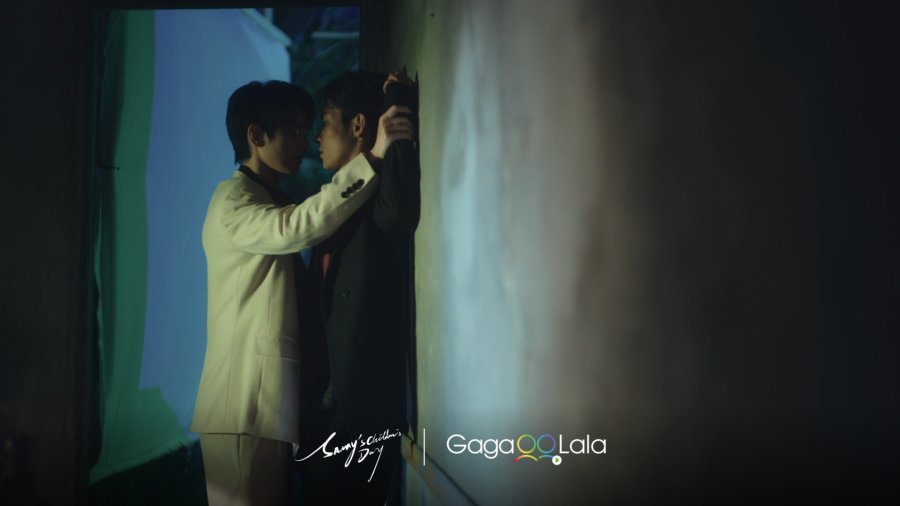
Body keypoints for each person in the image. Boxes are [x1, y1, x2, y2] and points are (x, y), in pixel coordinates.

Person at [190, 80, 412, 506]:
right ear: (256, 136)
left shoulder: (264, 197)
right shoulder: (232, 200)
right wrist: (373, 157)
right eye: (293, 131)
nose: (305, 142)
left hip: (263, 410)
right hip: (242, 409)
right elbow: (296, 227)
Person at [295, 70, 419, 505]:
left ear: (358, 126)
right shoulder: (334, 198)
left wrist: (396, 99)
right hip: (322, 400)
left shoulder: (377, 191)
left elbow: (398, 212)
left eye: (325, 122)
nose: (317, 137)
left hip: (359, 402)